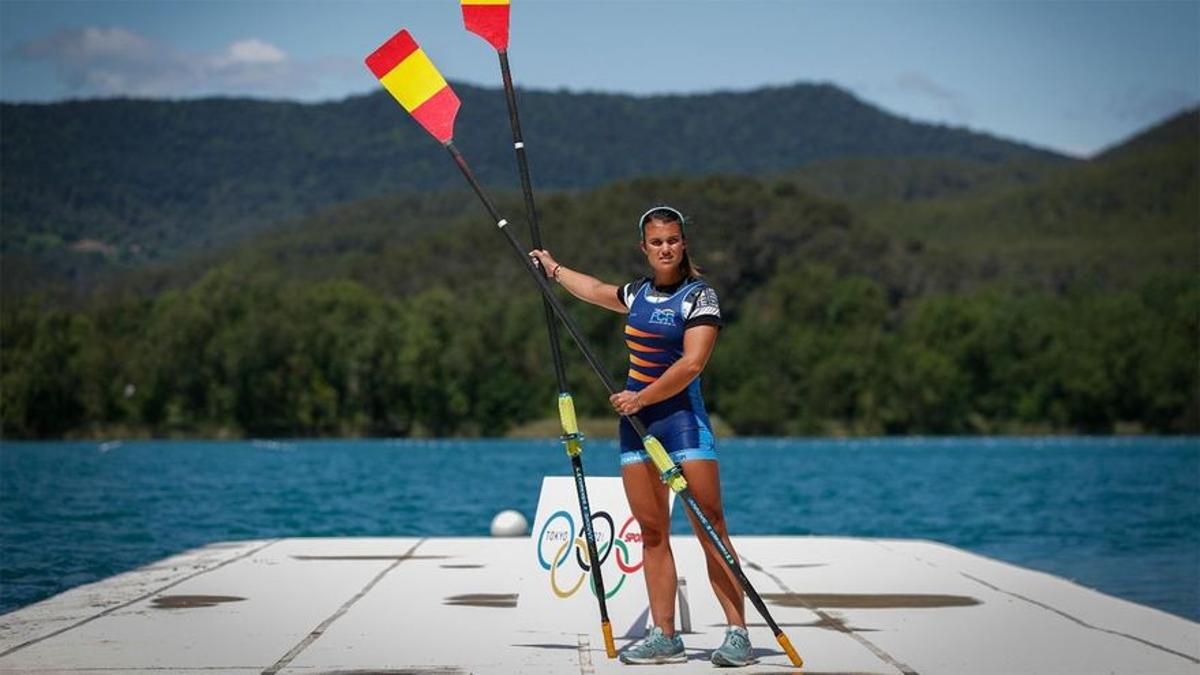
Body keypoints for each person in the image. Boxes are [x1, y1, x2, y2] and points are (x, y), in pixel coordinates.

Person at [529, 205, 755, 667]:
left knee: (710, 528)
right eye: (656, 242)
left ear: (683, 243)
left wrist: (642, 397)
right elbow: (594, 290)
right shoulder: (638, 294)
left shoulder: (700, 297)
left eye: (672, 240)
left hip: (680, 423)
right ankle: (665, 635)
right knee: (652, 533)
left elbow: (692, 363)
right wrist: (552, 268)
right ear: (645, 248)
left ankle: (737, 634)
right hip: (637, 427)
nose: (665, 248)